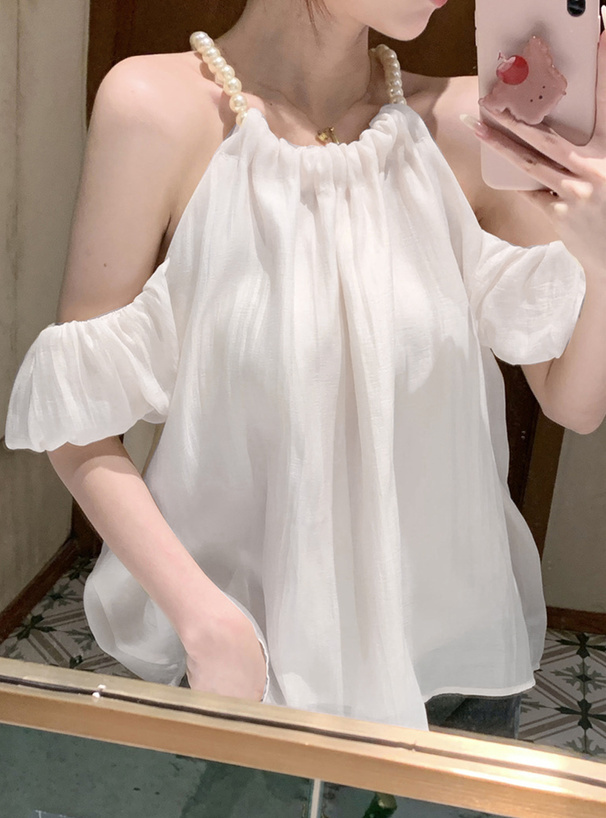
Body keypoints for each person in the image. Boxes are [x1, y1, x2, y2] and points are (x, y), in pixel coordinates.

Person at [5, 0, 606, 737]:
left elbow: (573, 403)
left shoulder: (466, 123)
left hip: (455, 670)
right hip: (249, 668)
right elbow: (75, 415)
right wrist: (205, 620)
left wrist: (602, 255)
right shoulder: (154, 109)